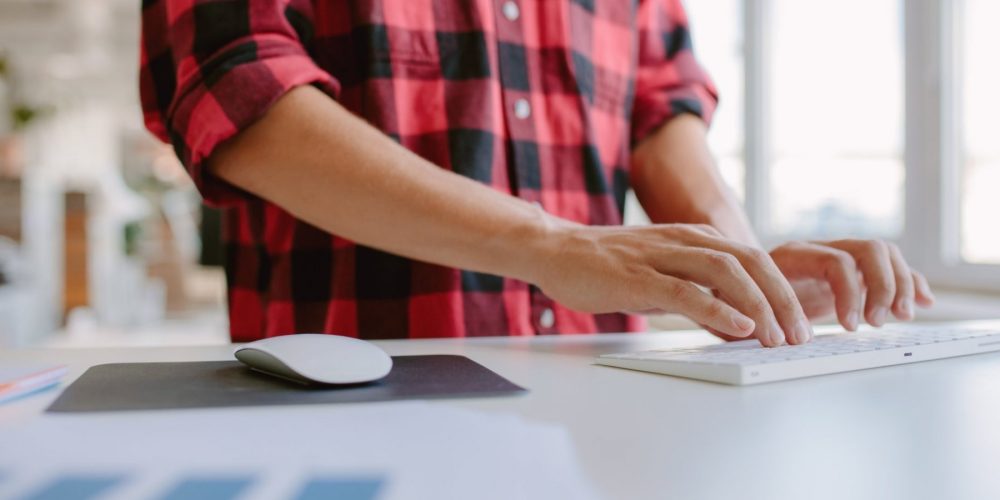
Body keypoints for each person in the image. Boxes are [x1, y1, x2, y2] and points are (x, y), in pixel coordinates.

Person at [140, 0, 933, 347]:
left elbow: (661, 109)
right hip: (358, 400)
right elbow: (235, 89)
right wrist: (553, 246)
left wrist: (742, 268)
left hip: (602, 415)